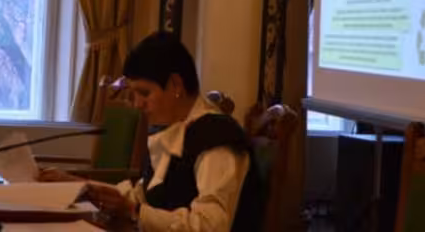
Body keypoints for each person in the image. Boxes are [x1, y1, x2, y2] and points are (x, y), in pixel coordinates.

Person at [40, 31, 262, 232]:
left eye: (144, 93)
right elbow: (142, 195)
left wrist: (135, 212)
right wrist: (80, 186)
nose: (137, 104)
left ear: (175, 85)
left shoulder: (217, 141)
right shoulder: (175, 130)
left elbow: (211, 225)